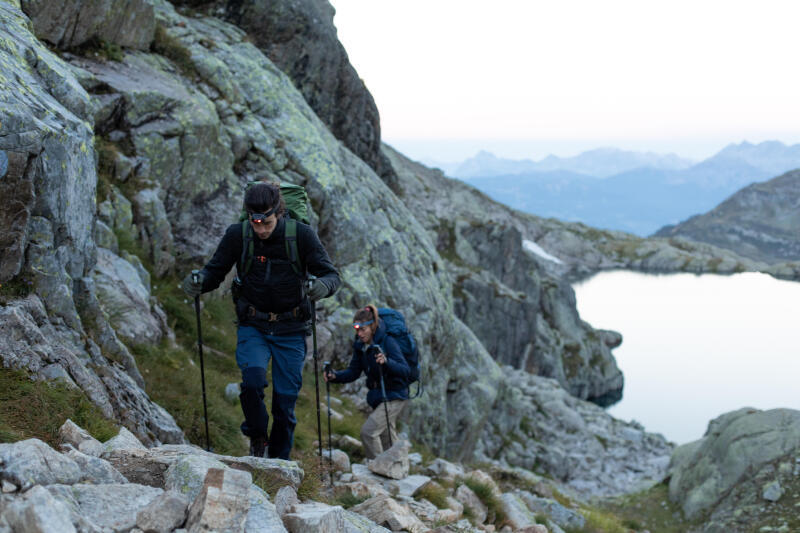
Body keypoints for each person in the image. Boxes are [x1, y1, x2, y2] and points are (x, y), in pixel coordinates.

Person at [182, 182, 340, 459]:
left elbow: (331, 275)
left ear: (278, 212)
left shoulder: (300, 235)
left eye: (267, 223)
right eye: (256, 224)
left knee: (284, 402)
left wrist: (322, 287)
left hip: (291, 328)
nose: (262, 230)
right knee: (252, 381)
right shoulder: (238, 234)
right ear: (248, 217)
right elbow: (215, 271)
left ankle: (279, 462)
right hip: (253, 323)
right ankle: (257, 436)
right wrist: (198, 282)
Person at [324, 305, 411, 459]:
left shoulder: (388, 342)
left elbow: (405, 370)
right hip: (378, 396)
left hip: (395, 394)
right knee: (387, 437)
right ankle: (397, 473)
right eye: (356, 329)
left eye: (363, 329)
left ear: (372, 326)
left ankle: (379, 469)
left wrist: (387, 362)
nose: (359, 333)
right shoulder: (361, 346)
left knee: (368, 432)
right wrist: (335, 376)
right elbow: (354, 372)